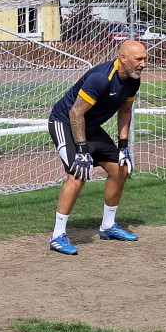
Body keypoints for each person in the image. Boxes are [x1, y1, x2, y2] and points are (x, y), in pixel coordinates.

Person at [46, 40, 148, 255]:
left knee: (121, 169)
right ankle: (57, 236)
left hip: (89, 126)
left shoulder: (132, 81)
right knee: (78, 172)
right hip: (64, 122)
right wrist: (82, 152)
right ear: (123, 58)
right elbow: (75, 113)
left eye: (145, 59)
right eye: (139, 59)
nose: (144, 64)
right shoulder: (100, 78)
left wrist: (123, 148)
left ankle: (108, 226)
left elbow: (125, 111)